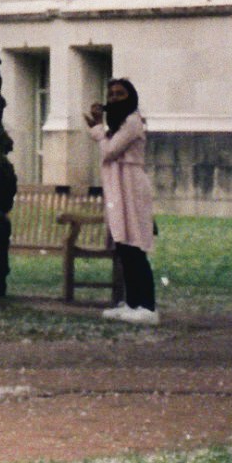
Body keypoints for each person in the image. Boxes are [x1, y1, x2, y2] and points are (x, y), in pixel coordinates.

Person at [90, 78, 156, 325]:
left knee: (136, 245)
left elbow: (110, 150)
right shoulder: (118, 124)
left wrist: (97, 130)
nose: (115, 98)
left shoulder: (132, 121)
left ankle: (147, 305)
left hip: (132, 187)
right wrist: (101, 128)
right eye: (112, 94)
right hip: (119, 186)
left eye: (120, 93)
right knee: (124, 246)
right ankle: (132, 302)